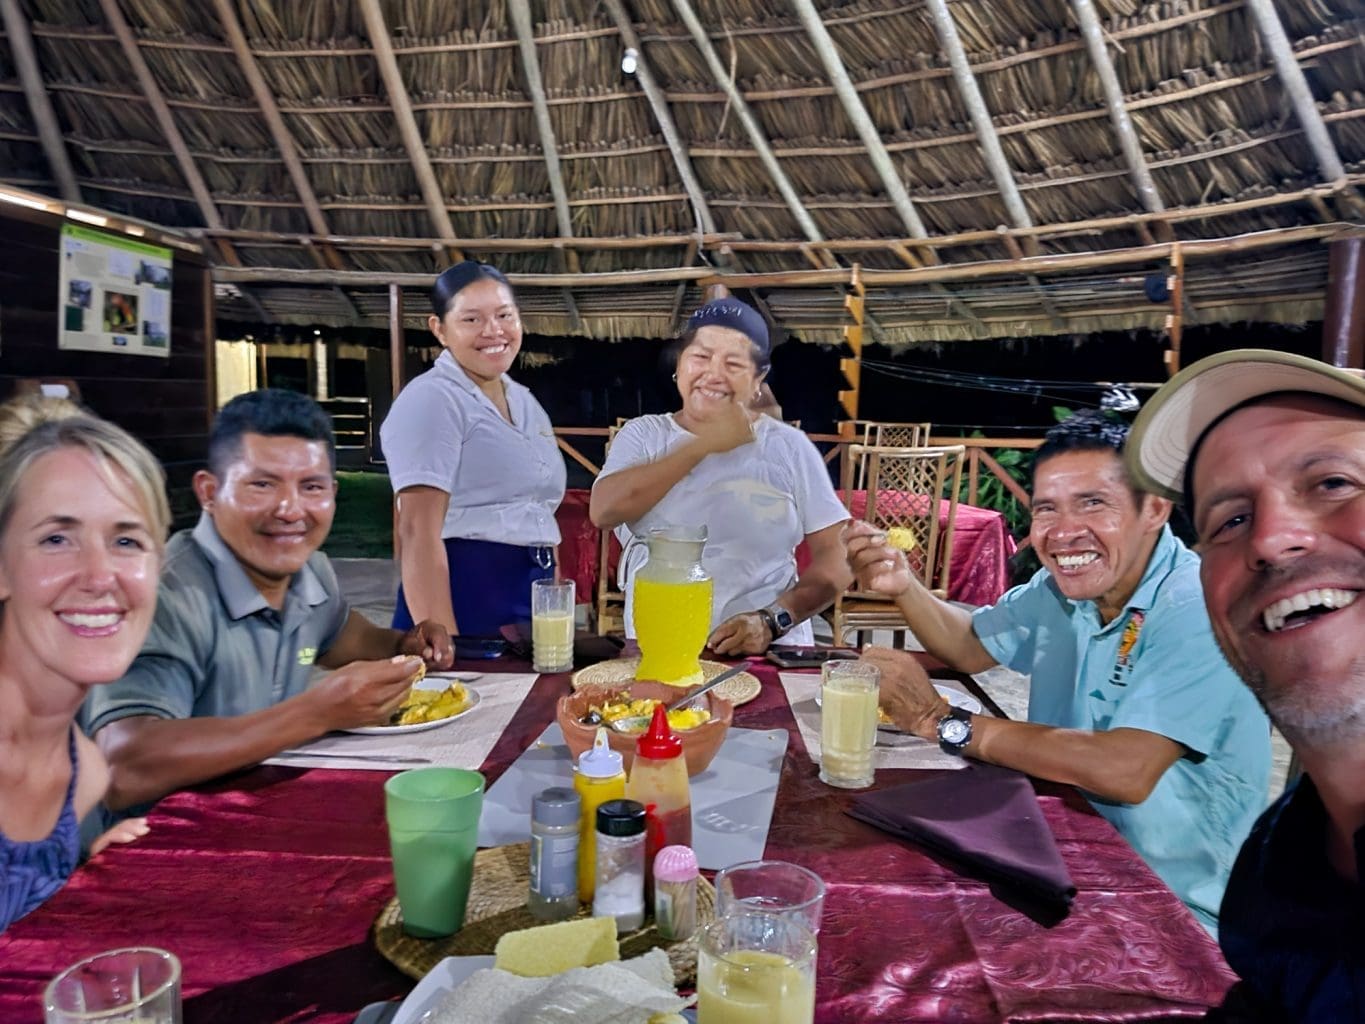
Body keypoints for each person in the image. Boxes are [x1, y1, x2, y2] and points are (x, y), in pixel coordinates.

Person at [845, 409, 1270, 933]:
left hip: (1170, 906)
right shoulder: (1061, 591)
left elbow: (1124, 770)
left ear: (1155, 507)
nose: (1064, 533)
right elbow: (970, 645)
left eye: (1093, 503)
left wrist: (940, 720)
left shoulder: (1199, 604)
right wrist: (905, 585)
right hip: (1062, 852)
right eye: (1047, 509)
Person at [1127, 349, 1365, 1019]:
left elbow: (1124, 769)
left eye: (1333, 483)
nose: (1268, 539)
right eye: (1228, 520)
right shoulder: (1283, 858)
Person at [83, 389, 452, 812]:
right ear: (208, 491)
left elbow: (346, 639)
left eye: (311, 487)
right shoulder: (163, 594)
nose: (290, 510)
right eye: (262, 484)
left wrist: (406, 644)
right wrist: (315, 713)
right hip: (145, 855)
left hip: (251, 815)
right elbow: (122, 767)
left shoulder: (308, 570)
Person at [590, 297, 850, 654]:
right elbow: (604, 510)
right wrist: (702, 445)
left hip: (768, 653)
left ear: (757, 379)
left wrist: (774, 621)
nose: (714, 373)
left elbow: (839, 558)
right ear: (679, 366)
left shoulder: (789, 446)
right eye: (701, 356)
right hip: (662, 647)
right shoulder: (645, 434)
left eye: (734, 362)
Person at [1, 406, 169, 930]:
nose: (100, 576)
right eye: (56, 538)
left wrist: (74, 885)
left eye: (126, 541)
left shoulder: (82, 771)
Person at [380, 261, 566, 637]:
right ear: (440, 329)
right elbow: (417, 530)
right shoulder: (433, 398)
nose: (493, 331)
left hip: (529, 594)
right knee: (470, 695)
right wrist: (442, 641)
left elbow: (538, 511)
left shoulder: (525, 401)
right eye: (471, 320)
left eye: (504, 315)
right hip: (464, 591)